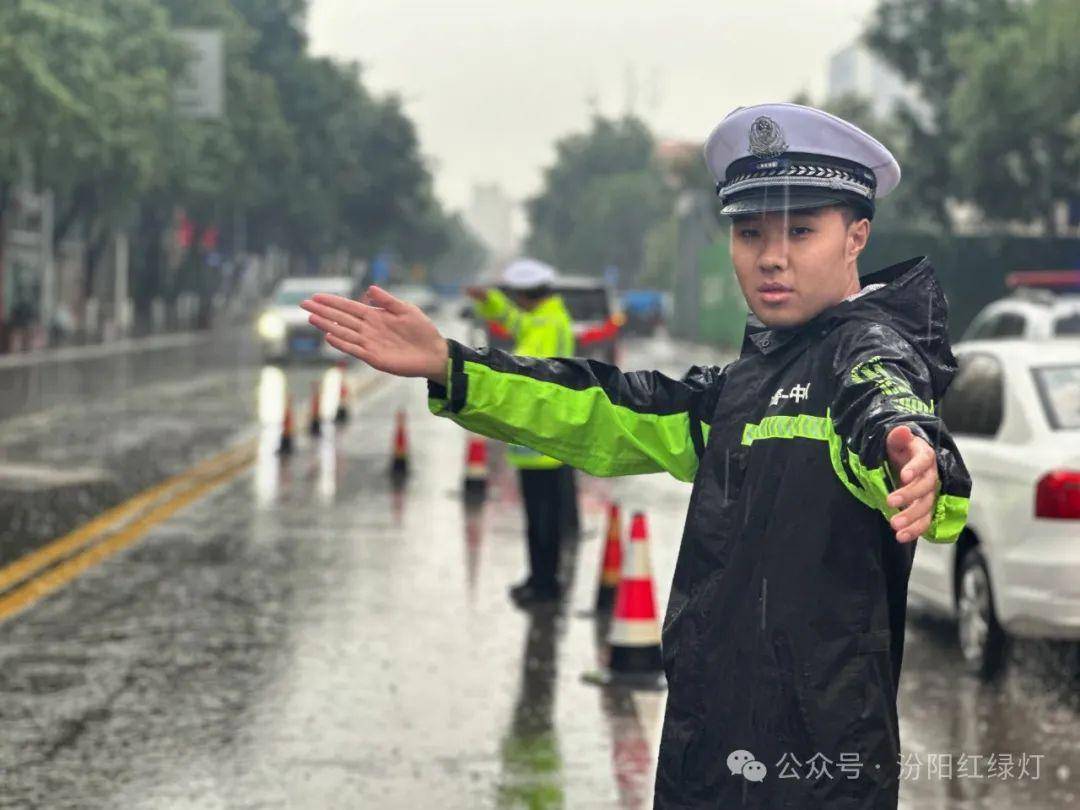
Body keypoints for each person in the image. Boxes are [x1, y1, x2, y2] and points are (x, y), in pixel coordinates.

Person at [301, 102, 972, 809]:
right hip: (705, 758)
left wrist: (915, 459)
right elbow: (607, 406)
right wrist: (453, 367)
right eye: (749, 233)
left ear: (855, 236)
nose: (771, 256)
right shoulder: (745, 384)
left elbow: (887, 407)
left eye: (801, 231)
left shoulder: (864, 352)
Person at [465, 258, 576, 606]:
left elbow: (525, 369)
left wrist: (486, 372)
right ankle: (540, 578)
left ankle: (544, 584)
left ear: (528, 296)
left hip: (542, 437)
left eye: (516, 296)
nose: (515, 303)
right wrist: (490, 302)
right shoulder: (544, 316)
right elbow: (514, 321)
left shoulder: (545, 323)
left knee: (542, 517)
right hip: (543, 436)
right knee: (542, 514)